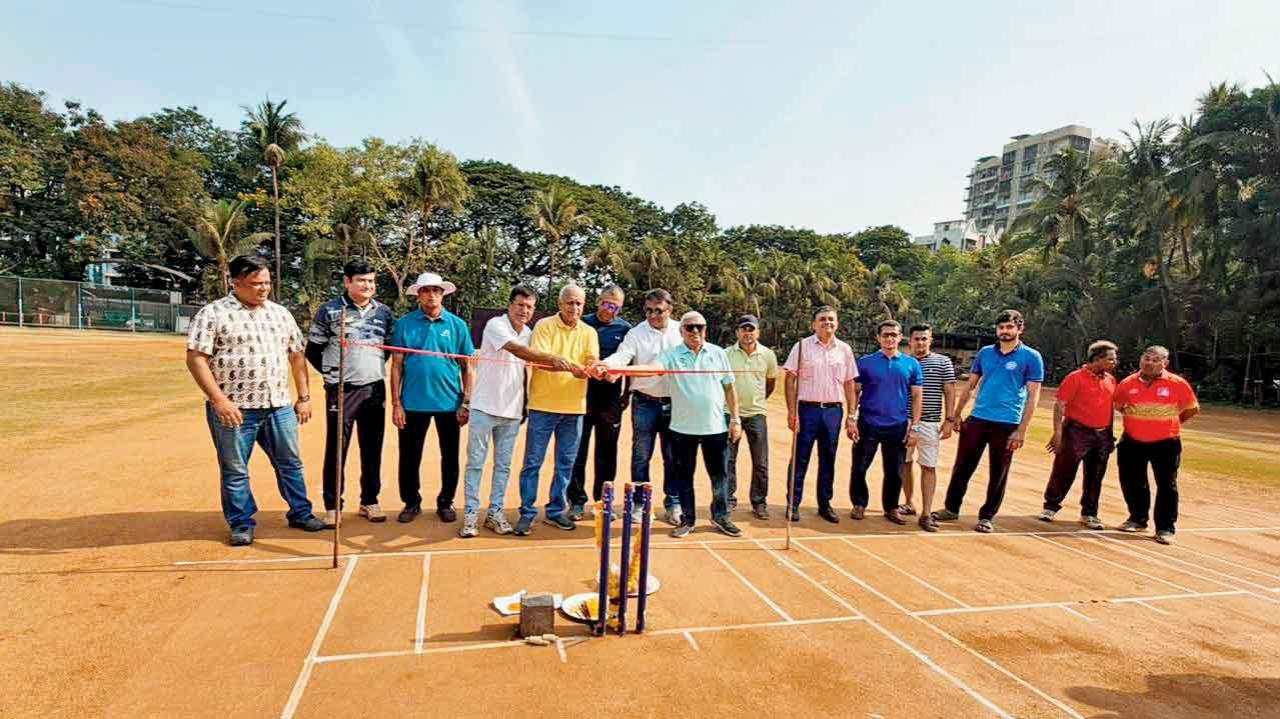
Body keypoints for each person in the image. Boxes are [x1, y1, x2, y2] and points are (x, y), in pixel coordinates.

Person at [185, 254, 325, 546]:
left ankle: (301, 512)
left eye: (267, 283)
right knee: (235, 469)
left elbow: (296, 356)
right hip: (235, 410)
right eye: (255, 284)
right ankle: (241, 522)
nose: (263, 289)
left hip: (278, 406)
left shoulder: (280, 313)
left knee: (291, 463)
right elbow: (196, 358)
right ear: (235, 282)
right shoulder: (213, 314)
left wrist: (304, 397)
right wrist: (219, 401)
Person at [460, 286, 581, 537]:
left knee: (503, 466)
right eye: (519, 305)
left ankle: (495, 512)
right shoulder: (496, 325)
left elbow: (531, 365)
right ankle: (471, 514)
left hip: (512, 411)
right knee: (476, 464)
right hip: (484, 407)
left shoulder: (530, 332)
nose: (523, 310)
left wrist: (565, 366)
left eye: (529, 307)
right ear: (510, 305)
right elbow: (519, 351)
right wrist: (553, 358)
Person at [629, 311, 742, 537]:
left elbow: (730, 387)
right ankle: (687, 520)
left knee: (719, 476)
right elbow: (651, 368)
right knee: (684, 477)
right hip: (682, 429)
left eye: (699, 327)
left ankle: (721, 517)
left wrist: (736, 419)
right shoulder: (671, 354)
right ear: (681, 332)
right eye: (689, 328)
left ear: (705, 329)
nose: (695, 332)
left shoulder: (718, 354)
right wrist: (619, 370)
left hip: (716, 428)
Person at [934, 309, 1044, 533]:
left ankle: (987, 516)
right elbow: (970, 386)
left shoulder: (1031, 357)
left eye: (1010, 327)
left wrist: (1021, 430)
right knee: (962, 466)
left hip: (1007, 423)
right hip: (978, 419)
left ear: (1020, 329)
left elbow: (1033, 397)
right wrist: (956, 414)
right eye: (1001, 327)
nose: (1005, 331)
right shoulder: (985, 353)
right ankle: (951, 508)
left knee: (999, 471)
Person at [306, 259, 396, 527]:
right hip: (341, 389)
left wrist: (369, 369)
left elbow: (388, 349)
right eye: (361, 280)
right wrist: (332, 375)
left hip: (374, 388)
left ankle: (369, 500)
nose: (367, 285)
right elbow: (313, 350)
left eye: (371, 281)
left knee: (372, 446)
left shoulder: (384, 312)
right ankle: (334, 505)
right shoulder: (330, 311)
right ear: (347, 282)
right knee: (337, 447)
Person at [390, 272, 475, 524]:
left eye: (436, 290)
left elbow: (468, 367)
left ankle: (445, 501)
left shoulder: (457, 325)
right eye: (425, 290)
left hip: (450, 404)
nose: (431, 295)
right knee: (409, 456)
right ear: (418, 294)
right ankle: (411, 502)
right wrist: (396, 404)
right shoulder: (405, 324)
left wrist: (466, 402)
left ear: (443, 294)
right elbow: (396, 365)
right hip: (413, 403)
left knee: (449, 456)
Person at [514, 284, 599, 535]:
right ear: (560, 304)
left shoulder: (589, 332)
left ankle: (555, 511)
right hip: (542, 406)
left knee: (565, 464)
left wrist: (594, 367)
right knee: (532, 462)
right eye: (570, 303)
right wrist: (563, 364)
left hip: (574, 409)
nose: (574, 308)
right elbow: (539, 360)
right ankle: (527, 512)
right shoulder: (544, 326)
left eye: (579, 304)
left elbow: (591, 361)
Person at [595, 288, 684, 525]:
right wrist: (607, 365)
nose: (653, 315)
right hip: (644, 402)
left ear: (670, 310)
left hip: (675, 403)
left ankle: (674, 502)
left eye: (658, 311)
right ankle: (638, 503)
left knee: (673, 456)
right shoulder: (636, 333)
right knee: (640, 456)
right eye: (648, 310)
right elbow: (622, 356)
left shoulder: (682, 331)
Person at [1114, 346, 1199, 545]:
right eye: (1146, 358)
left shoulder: (1177, 383)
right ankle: (1137, 519)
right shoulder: (1127, 383)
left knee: (1167, 485)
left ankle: (1165, 528)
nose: (1149, 362)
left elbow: (1191, 409)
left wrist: (1170, 422)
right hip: (1132, 441)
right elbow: (1119, 406)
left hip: (1166, 442)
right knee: (1132, 481)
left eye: (1155, 359)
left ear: (1165, 363)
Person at [783, 306, 858, 522]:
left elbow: (849, 382)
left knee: (828, 459)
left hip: (833, 411)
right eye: (822, 319)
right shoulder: (802, 347)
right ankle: (793, 504)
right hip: (807, 410)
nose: (827, 323)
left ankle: (824, 504)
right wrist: (791, 412)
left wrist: (852, 415)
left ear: (837, 323)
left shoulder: (844, 349)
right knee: (800, 458)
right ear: (814, 324)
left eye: (831, 319)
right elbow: (790, 379)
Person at [1038, 340, 1119, 530]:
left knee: (1096, 475)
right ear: (1097, 359)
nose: (1115, 362)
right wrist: (1058, 433)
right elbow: (1060, 405)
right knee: (1064, 470)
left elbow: (1109, 409)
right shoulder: (1075, 377)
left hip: (1102, 434)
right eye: (1111, 359)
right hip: (1076, 431)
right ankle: (1050, 507)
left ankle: (1089, 513)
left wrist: (1109, 435)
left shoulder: (1111, 380)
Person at [849, 320, 923, 525]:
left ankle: (891, 507)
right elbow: (855, 391)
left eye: (894, 335)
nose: (890, 338)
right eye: (886, 335)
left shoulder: (911, 364)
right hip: (868, 422)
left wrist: (915, 427)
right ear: (878, 338)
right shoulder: (865, 362)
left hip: (897, 425)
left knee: (894, 470)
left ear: (900, 338)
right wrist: (852, 418)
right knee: (860, 466)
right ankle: (859, 503)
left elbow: (917, 396)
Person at [568, 285, 632, 520]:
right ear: (598, 302)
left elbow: (629, 362)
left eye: (614, 306)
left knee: (607, 452)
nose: (609, 309)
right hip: (580, 396)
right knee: (578, 450)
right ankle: (576, 500)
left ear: (620, 307)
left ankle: (602, 501)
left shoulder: (625, 329)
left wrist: (627, 392)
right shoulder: (582, 323)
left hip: (610, 400)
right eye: (606, 303)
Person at [900, 324, 956, 532]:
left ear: (930, 340)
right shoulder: (903, 362)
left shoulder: (943, 362)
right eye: (917, 339)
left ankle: (926, 512)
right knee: (903, 462)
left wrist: (949, 419)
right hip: (903, 420)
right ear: (910, 341)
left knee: (928, 466)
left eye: (924, 339)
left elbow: (949, 391)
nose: (920, 343)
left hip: (930, 422)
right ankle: (908, 502)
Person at [725, 315, 779, 519]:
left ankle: (759, 502)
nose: (747, 334)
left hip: (756, 414)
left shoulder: (767, 355)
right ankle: (728, 500)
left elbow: (770, 383)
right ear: (737, 332)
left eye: (751, 329)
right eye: (743, 329)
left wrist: (757, 400)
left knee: (761, 461)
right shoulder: (726, 354)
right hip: (729, 414)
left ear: (758, 332)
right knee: (728, 460)